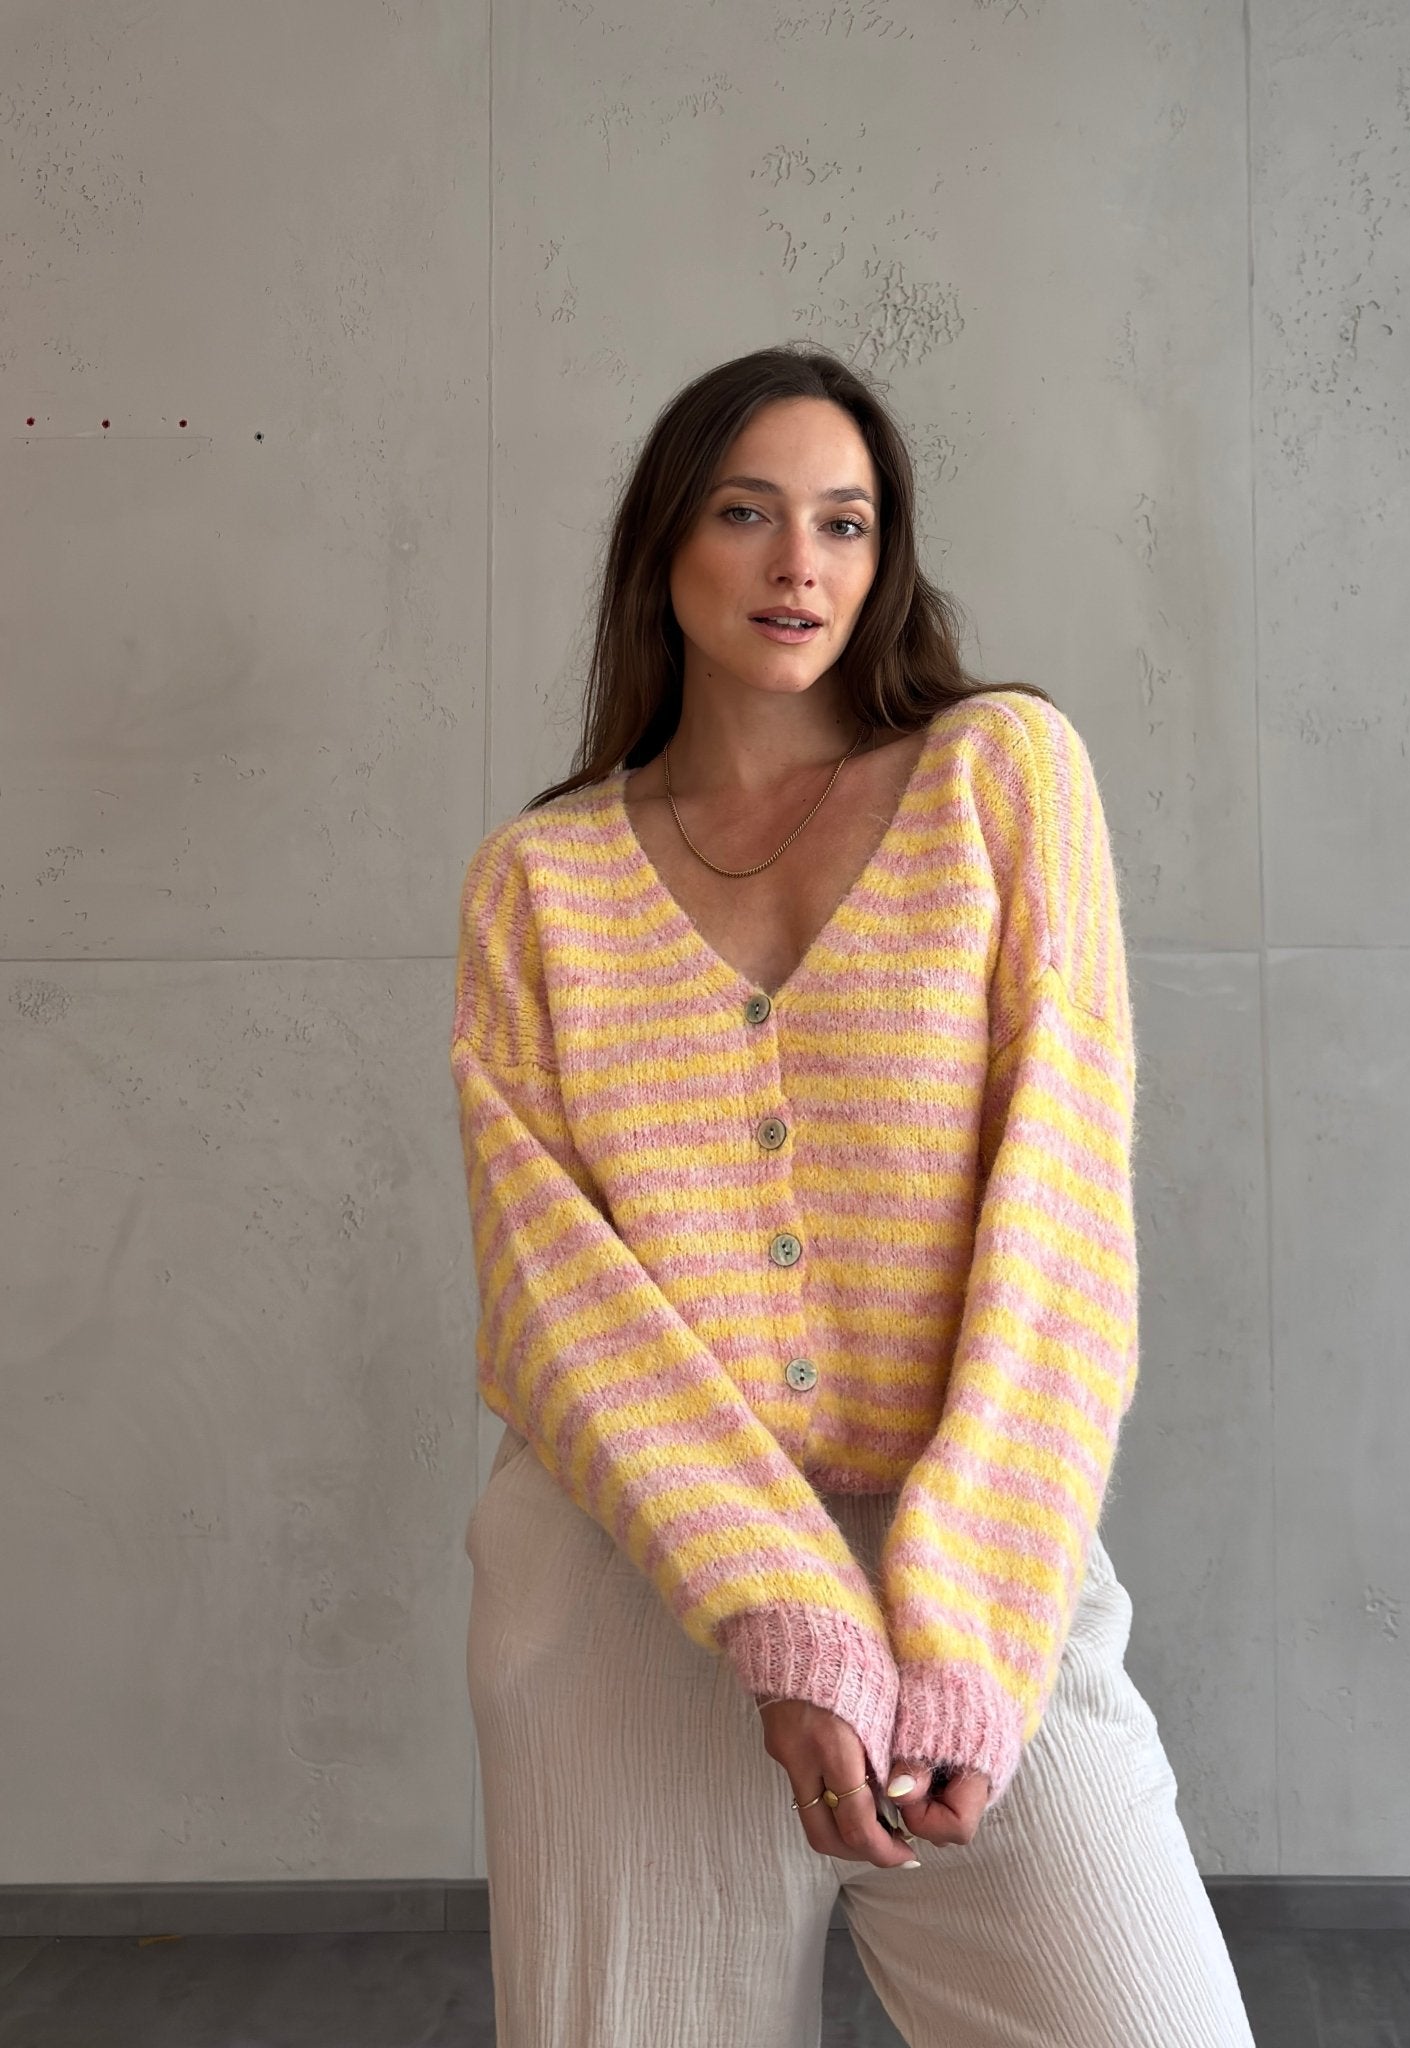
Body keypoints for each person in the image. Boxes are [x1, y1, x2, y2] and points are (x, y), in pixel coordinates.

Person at [450, 343, 1257, 2045]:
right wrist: (781, 1613)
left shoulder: (997, 777)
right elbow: (548, 1298)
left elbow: (1062, 1229)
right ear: (665, 545)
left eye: (844, 521)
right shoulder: (540, 883)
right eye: (746, 514)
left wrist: (968, 1629)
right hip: (630, 1599)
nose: (798, 563)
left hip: (975, 1586)